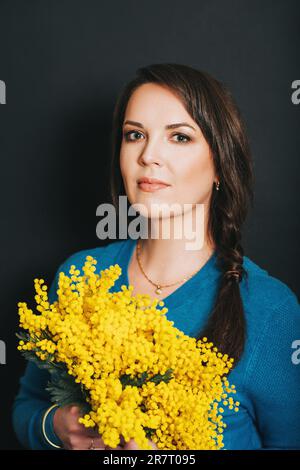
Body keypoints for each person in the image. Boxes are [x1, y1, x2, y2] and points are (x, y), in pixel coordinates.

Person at [12, 63, 300, 450]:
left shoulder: (271, 312)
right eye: (135, 135)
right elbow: (27, 407)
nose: (149, 155)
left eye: (179, 137)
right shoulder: (80, 276)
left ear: (220, 164)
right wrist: (57, 426)